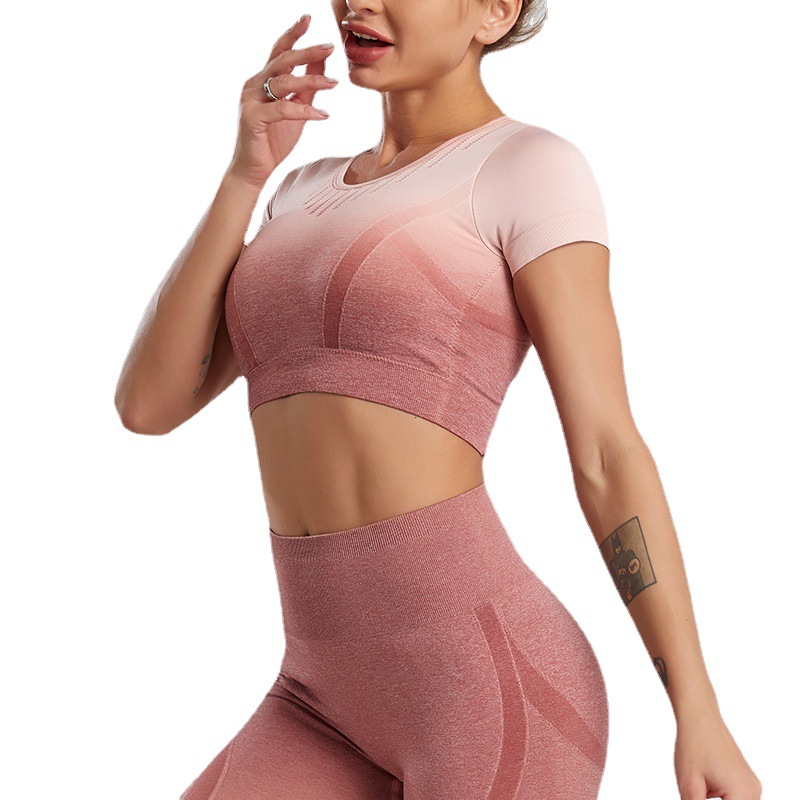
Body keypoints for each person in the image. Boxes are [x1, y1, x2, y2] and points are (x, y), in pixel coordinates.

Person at [114, 2, 761, 799]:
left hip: (485, 691)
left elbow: (606, 451)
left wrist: (696, 708)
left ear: (494, 12)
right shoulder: (299, 190)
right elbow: (149, 404)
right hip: (317, 696)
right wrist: (245, 176)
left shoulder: (527, 168)